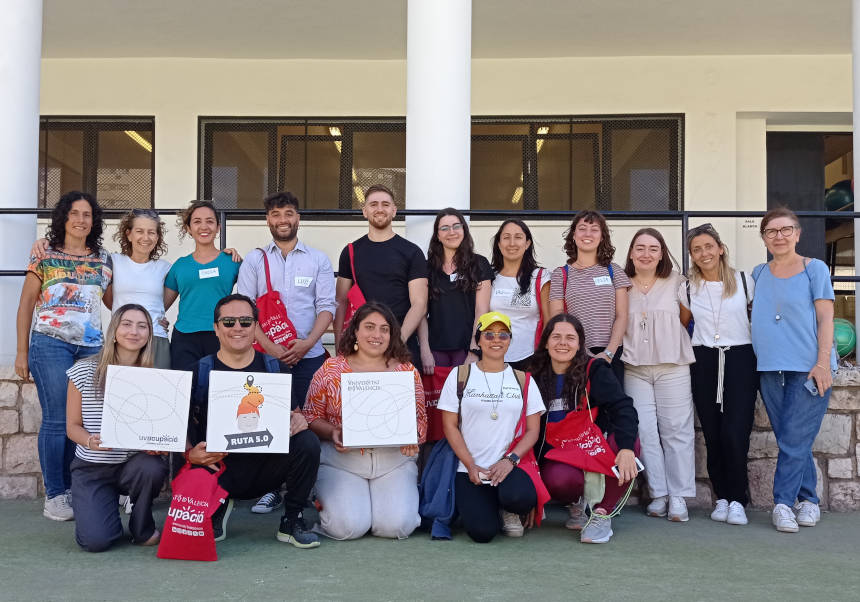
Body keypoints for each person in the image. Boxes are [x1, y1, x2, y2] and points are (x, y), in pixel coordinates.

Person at [185, 294, 321, 547]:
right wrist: (189, 453)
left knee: (307, 442)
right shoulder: (199, 371)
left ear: (256, 328)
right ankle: (216, 505)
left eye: (246, 322)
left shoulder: (274, 369)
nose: (238, 328)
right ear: (216, 328)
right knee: (190, 451)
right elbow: (179, 427)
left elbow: (296, 414)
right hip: (217, 468)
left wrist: (300, 421)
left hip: (265, 470)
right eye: (229, 322)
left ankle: (292, 520)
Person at [15, 191, 113, 521]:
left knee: (83, 421)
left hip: (91, 347)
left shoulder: (103, 258)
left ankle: (74, 489)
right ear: (63, 218)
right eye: (74, 213)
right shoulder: (44, 255)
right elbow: (27, 303)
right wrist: (21, 351)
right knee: (58, 420)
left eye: (87, 214)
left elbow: (115, 300)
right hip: (50, 344)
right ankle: (55, 495)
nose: (81, 219)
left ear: (94, 221)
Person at [237, 191, 336, 514]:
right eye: (276, 214)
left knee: (310, 424)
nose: (283, 220)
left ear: (298, 218)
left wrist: (307, 343)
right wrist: (273, 349)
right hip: (268, 358)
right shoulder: (254, 260)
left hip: (310, 356)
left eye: (289, 213)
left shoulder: (318, 259)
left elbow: (326, 307)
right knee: (271, 421)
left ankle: (306, 488)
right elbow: (245, 310)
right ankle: (273, 489)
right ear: (268, 219)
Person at [303, 302, 427, 540]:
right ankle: (332, 502)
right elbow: (310, 416)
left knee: (398, 526)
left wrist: (413, 439)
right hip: (343, 461)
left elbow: (420, 420)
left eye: (384, 329)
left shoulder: (406, 371)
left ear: (392, 335)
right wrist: (333, 432)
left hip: (393, 461)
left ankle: (375, 509)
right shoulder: (332, 369)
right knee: (347, 527)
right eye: (369, 327)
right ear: (356, 331)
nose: (377, 335)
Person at [750, 207, 836, 533]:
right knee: (793, 440)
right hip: (770, 369)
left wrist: (823, 362)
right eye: (772, 231)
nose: (779, 236)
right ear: (764, 238)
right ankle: (809, 500)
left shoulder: (814, 269)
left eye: (786, 230)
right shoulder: (758, 273)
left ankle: (783, 504)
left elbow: (826, 318)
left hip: (808, 369)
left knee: (793, 441)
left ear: (797, 234)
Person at [66, 304, 168, 552]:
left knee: (152, 466)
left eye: (142, 326)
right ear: (114, 330)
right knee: (96, 541)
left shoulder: (153, 376)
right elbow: (72, 426)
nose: (134, 331)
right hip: (92, 468)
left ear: (149, 334)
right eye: (127, 324)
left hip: (131, 465)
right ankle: (101, 507)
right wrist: (91, 440)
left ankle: (141, 527)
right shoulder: (83, 370)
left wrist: (157, 445)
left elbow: (156, 426)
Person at [437, 311, 546, 543]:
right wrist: (470, 464)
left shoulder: (523, 379)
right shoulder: (460, 375)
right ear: (478, 340)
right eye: (489, 335)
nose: (496, 340)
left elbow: (533, 430)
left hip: (510, 466)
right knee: (482, 533)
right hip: (470, 470)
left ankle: (509, 508)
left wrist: (510, 460)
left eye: (503, 335)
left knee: (520, 497)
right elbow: (450, 426)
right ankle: (493, 507)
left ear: (510, 340)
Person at [530, 314, 639, 544]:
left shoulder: (595, 369)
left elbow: (624, 408)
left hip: (591, 445)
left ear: (580, 343)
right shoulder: (533, 372)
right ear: (546, 341)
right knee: (559, 480)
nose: (562, 343)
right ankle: (576, 504)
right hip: (557, 453)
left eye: (570, 338)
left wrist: (627, 448)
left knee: (628, 443)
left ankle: (602, 513)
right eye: (556, 336)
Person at [682, 224, 757, 526]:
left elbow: (758, 318)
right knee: (712, 433)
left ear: (720, 248)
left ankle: (738, 498)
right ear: (692, 255)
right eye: (697, 249)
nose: (704, 253)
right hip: (703, 359)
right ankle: (722, 497)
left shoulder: (744, 280)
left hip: (739, 358)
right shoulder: (687, 287)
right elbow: (681, 324)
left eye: (708, 246)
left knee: (735, 432)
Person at [621, 228, 696, 522]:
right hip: (634, 368)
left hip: (673, 365)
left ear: (662, 253)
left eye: (653, 248)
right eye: (640, 248)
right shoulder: (621, 284)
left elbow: (687, 318)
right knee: (646, 432)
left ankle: (678, 496)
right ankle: (659, 493)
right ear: (630, 253)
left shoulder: (678, 282)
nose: (646, 254)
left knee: (677, 430)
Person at [334, 184, 428, 370]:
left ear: (394, 211)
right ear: (365, 211)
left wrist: (396, 341)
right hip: (360, 348)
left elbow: (419, 304)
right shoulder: (351, 251)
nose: (379, 209)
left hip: (402, 345)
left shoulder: (412, 252)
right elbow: (341, 301)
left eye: (385, 204)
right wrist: (339, 345)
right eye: (373, 204)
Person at [549, 210, 630, 382]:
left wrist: (608, 353)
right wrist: (581, 351)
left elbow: (622, 315)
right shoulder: (560, 274)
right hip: (574, 352)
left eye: (594, 229)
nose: (588, 234)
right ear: (573, 235)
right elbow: (557, 317)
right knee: (581, 407)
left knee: (612, 407)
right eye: (582, 228)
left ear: (602, 237)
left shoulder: (614, 271)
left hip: (611, 353)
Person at [165, 200, 242, 371]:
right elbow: (161, 305)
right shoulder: (180, 265)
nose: (204, 226)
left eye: (209, 221)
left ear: (218, 226)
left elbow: (250, 296)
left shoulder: (232, 261)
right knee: (187, 392)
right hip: (185, 338)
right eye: (197, 221)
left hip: (222, 336)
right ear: (188, 228)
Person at [418, 207, 493, 373]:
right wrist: (424, 350)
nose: (451, 232)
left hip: (466, 348)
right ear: (437, 235)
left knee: (464, 397)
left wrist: (475, 348)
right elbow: (421, 311)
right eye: (444, 228)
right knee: (437, 399)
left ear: (464, 230)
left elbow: (482, 309)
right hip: (435, 349)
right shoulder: (426, 267)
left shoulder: (479, 264)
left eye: (456, 226)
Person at [489, 219, 551, 370]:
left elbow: (549, 320)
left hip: (531, 358)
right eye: (506, 237)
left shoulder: (541, 276)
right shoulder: (489, 277)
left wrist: (542, 355)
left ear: (527, 243)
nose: (512, 243)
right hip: (493, 356)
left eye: (518, 237)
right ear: (498, 243)